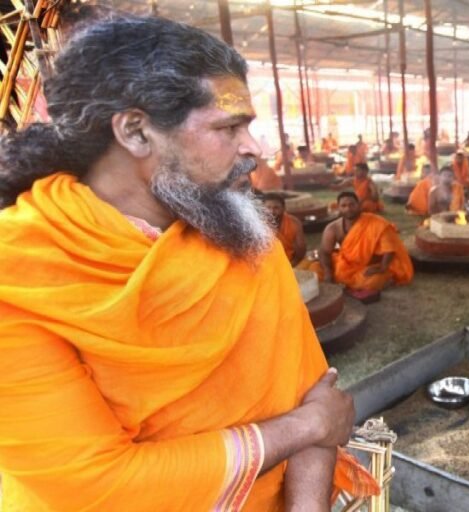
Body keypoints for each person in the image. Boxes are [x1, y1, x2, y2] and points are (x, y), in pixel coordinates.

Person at [0, 15, 377, 510]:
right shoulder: (17, 274)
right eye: (229, 127)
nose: (254, 148)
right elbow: (97, 484)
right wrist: (302, 427)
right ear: (136, 132)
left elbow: (314, 395)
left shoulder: (243, 237)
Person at [320, 191, 413, 293]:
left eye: (352, 205)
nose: (348, 209)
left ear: (359, 205)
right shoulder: (332, 228)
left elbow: (390, 249)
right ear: (338, 208)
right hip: (345, 265)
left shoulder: (377, 223)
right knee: (316, 269)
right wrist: (328, 273)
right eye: (344, 206)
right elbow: (325, 252)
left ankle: (386, 279)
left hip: (371, 265)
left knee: (371, 282)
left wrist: (382, 267)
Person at [264, 193, 306, 266]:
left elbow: (301, 249)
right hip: (266, 264)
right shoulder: (258, 224)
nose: (272, 211)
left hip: (291, 261)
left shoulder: (294, 222)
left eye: (276, 208)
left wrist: (291, 265)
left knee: (313, 266)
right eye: (268, 207)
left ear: (283, 208)